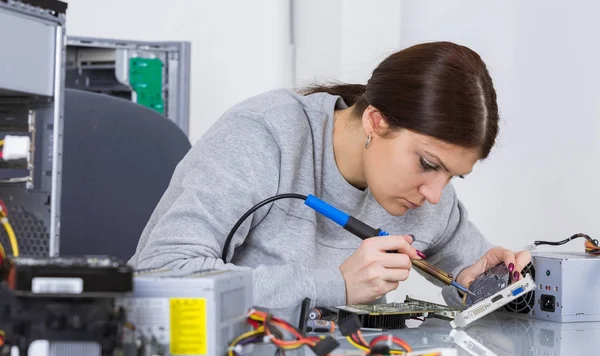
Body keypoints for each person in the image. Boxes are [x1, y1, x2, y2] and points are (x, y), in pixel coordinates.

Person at [130, 41, 531, 310]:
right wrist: (333, 284)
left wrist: (479, 285)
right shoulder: (265, 135)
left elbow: (469, 276)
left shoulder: (427, 194)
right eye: (428, 164)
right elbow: (159, 275)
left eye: (452, 177)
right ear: (375, 121)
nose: (434, 194)